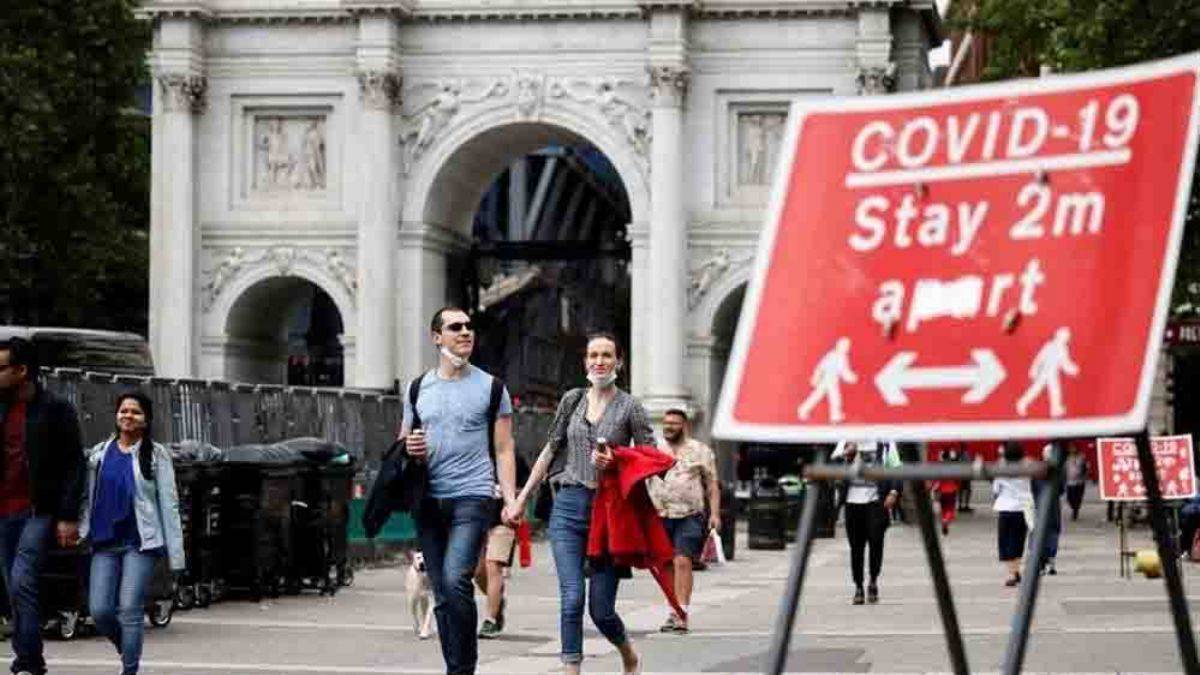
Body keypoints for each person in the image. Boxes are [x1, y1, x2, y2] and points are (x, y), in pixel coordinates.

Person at [510, 332, 654, 675]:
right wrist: (521, 498)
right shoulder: (572, 400)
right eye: (593, 355)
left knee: (601, 611)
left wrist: (617, 459)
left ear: (619, 361)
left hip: (608, 513)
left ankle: (627, 653)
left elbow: (649, 457)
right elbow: (550, 448)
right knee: (572, 597)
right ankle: (571, 668)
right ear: (585, 361)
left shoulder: (630, 406)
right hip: (569, 506)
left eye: (607, 355)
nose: (599, 361)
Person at [401, 306, 519, 675]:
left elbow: (504, 448)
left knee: (455, 579)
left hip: (473, 495)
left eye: (469, 326)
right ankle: (457, 667)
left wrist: (511, 498)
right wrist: (411, 448)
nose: (465, 332)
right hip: (429, 500)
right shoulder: (418, 387)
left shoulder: (492, 387)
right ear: (437, 337)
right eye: (455, 327)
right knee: (441, 592)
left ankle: (463, 668)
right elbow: (403, 441)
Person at [79, 392, 185, 675]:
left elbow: (169, 505)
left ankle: (129, 670)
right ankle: (127, 650)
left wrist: (176, 557)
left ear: (146, 419)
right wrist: (80, 529)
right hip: (104, 542)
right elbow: (87, 497)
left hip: (140, 544)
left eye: (135, 412)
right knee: (100, 611)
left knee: (129, 609)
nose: (128, 416)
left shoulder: (157, 455)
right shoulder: (100, 452)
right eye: (123, 411)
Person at [0, 337, 85, 675]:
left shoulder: (56, 409)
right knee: (12, 587)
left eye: (1, 368)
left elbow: (73, 465)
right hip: (3, 512)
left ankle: (29, 659)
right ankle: (28, 656)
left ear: (22, 371)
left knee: (22, 581)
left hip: (38, 511)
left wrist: (67, 515)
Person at [646, 408, 720, 634]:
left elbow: (712, 484)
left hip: (690, 515)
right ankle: (673, 609)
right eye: (666, 423)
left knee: (682, 561)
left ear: (684, 426)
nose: (669, 427)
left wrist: (715, 514)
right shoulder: (654, 449)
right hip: (659, 514)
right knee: (665, 564)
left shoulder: (700, 450)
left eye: (674, 423)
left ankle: (682, 613)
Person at [833, 440, 900, 605]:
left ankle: (873, 581)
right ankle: (858, 587)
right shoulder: (847, 438)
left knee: (876, 543)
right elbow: (832, 463)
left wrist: (894, 491)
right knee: (856, 547)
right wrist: (846, 454)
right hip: (852, 503)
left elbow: (897, 469)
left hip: (876, 503)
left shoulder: (884, 442)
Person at [474, 454, 530, 639]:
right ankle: (497, 602)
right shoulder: (473, 451)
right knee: (477, 571)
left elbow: (526, 488)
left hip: (503, 521)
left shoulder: (513, 456)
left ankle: (490, 620)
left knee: (494, 566)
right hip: (476, 519)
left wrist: (515, 504)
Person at [994, 441, 1034, 587]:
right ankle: (1016, 570)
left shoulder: (1001, 466)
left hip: (1005, 506)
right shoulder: (1028, 464)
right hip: (1022, 506)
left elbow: (996, 488)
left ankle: (1012, 573)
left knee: (1005, 541)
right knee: (1018, 540)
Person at [933, 446, 961, 536]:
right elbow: (957, 479)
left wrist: (934, 489)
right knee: (951, 508)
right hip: (952, 489)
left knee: (943, 508)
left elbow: (936, 479)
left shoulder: (939, 466)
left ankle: (944, 518)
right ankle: (946, 520)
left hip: (941, 490)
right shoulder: (952, 466)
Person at [1064, 445, 1088, 521]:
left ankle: (1075, 511)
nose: (1072, 449)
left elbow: (1085, 468)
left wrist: (1084, 475)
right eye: (1071, 448)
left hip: (1079, 481)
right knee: (1069, 498)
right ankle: (1074, 507)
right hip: (1069, 481)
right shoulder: (1066, 458)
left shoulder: (1081, 457)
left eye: (1073, 447)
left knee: (1078, 498)